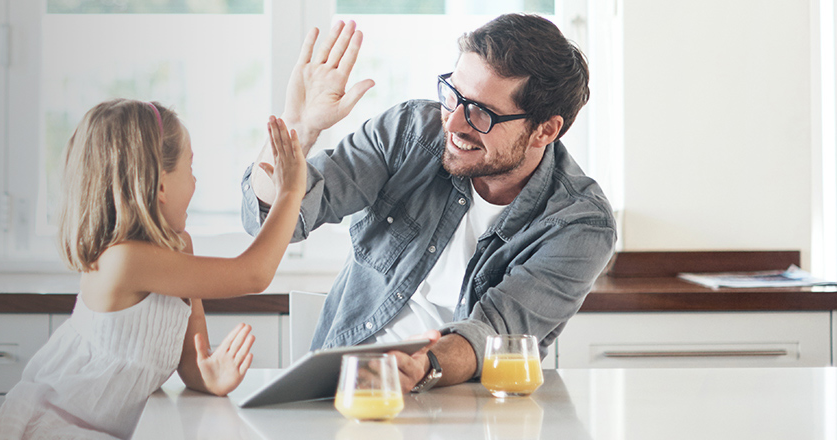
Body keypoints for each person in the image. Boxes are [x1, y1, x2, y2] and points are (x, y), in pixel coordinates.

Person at [242, 15, 616, 393]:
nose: (453, 123)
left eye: (481, 113)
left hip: (464, 404)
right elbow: (275, 224)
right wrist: (299, 127)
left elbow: (498, 331)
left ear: (546, 130)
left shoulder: (579, 223)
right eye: (453, 95)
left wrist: (424, 366)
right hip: (345, 390)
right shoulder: (410, 132)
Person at [0, 99, 307, 439]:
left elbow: (189, 357)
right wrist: (290, 193)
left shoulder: (179, 248)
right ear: (161, 185)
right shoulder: (123, 261)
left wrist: (208, 374)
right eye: (190, 169)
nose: (196, 183)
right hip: (56, 426)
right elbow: (253, 274)